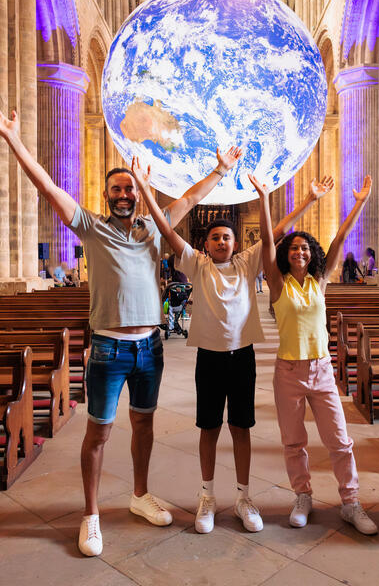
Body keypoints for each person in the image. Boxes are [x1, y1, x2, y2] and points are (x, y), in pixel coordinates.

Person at [0, 99, 244, 558]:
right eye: (117, 189)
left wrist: (221, 170)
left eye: (130, 187)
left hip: (150, 347)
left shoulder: (152, 229)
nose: (125, 194)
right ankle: (91, 516)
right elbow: (46, 186)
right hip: (108, 347)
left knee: (143, 425)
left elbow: (188, 198)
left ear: (138, 192)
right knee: (98, 434)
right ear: (107, 196)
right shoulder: (90, 227)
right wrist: (12, 139)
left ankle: (140, 495)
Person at [131, 164, 333, 535]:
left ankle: (243, 496)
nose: (222, 242)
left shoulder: (247, 262)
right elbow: (164, 229)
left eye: (227, 237)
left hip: (243, 357)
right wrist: (145, 188)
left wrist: (308, 200)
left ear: (236, 243)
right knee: (208, 428)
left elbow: (277, 231)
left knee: (241, 427)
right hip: (209, 357)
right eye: (215, 238)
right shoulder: (197, 264)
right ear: (205, 244)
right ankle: (207, 496)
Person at [250, 171, 379, 536]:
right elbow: (264, 241)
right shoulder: (278, 284)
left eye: (305, 247)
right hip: (288, 372)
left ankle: (350, 502)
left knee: (339, 440)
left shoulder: (320, 281)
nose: (300, 252)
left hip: (322, 371)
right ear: (286, 256)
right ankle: (302, 496)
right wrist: (263, 196)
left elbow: (339, 238)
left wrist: (360, 202)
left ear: (312, 254)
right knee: (294, 442)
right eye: (294, 248)